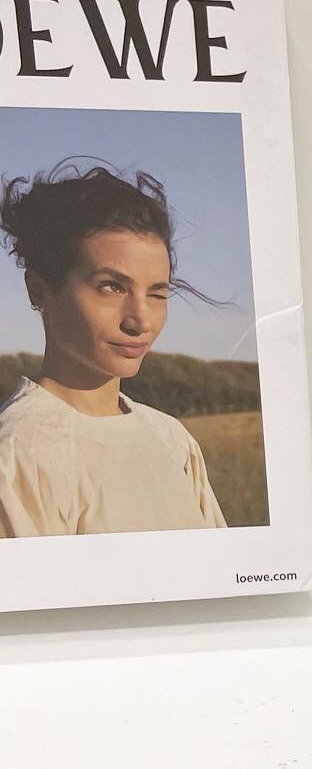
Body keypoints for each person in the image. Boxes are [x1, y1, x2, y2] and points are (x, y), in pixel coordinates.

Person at [0, 163, 227, 537]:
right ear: (39, 289)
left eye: (156, 294)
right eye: (112, 287)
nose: (141, 321)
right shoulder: (18, 454)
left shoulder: (173, 440)